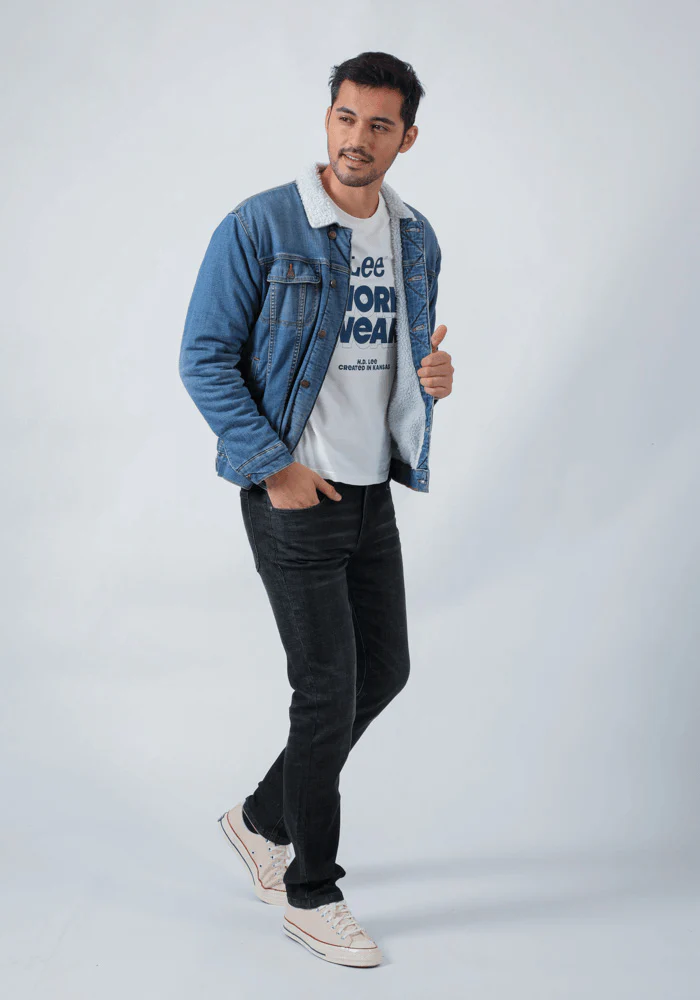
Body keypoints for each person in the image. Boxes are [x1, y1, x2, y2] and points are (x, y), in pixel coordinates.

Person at [179, 50, 453, 968]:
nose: (356, 139)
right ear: (327, 118)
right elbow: (204, 356)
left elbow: (395, 351)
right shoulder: (261, 225)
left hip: (372, 491)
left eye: (379, 124)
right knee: (327, 689)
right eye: (345, 117)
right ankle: (311, 892)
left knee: (386, 670)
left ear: (407, 137)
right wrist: (273, 468)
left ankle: (261, 819)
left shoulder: (416, 238)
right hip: (296, 494)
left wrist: (432, 378)